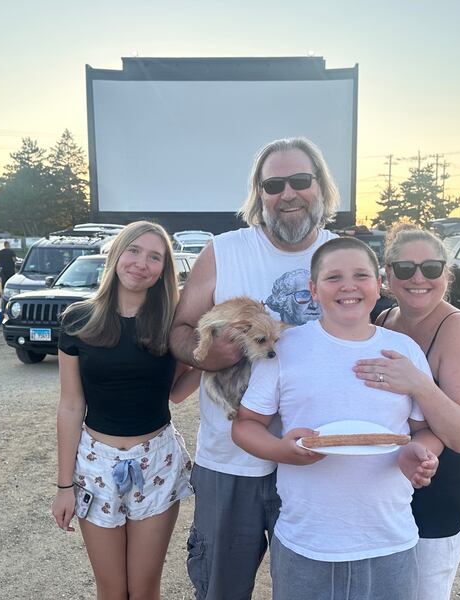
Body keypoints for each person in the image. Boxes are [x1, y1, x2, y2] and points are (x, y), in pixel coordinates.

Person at [169, 137, 339, 599]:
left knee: (312, 590)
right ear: (258, 193)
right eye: (273, 184)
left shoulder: (342, 255)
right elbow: (181, 329)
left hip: (317, 461)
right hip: (229, 462)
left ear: (320, 187)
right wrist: (209, 355)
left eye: (300, 181)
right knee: (222, 587)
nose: (287, 194)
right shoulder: (223, 250)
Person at [232, 237, 439, 600]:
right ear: (313, 289)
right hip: (307, 541)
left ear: (378, 286)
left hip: (389, 539)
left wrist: (419, 452)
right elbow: (245, 425)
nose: (348, 286)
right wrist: (282, 450)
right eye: (333, 278)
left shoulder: (403, 350)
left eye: (361, 275)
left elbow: (424, 431)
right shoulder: (285, 349)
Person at [52, 221, 201, 600]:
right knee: (113, 590)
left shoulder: (171, 325)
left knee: (145, 588)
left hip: (157, 463)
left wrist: (211, 361)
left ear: (164, 269)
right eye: (134, 251)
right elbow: (71, 405)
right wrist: (64, 486)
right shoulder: (78, 319)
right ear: (116, 254)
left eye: (155, 257)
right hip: (95, 464)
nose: (141, 263)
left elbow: (176, 394)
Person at [353, 225, 460, 600]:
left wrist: (420, 384)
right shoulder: (382, 321)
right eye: (405, 268)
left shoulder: (458, 329)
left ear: (446, 274)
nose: (418, 278)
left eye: (431, 269)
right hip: (382, 492)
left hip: (435, 495)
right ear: (387, 276)